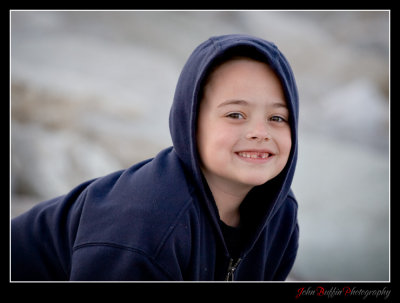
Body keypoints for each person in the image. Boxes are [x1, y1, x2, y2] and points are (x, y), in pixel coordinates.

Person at [11, 34, 299, 281]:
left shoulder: (279, 215)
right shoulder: (148, 223)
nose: (260, 132)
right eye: (236, 114)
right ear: (191, 122)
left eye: (277, 117)